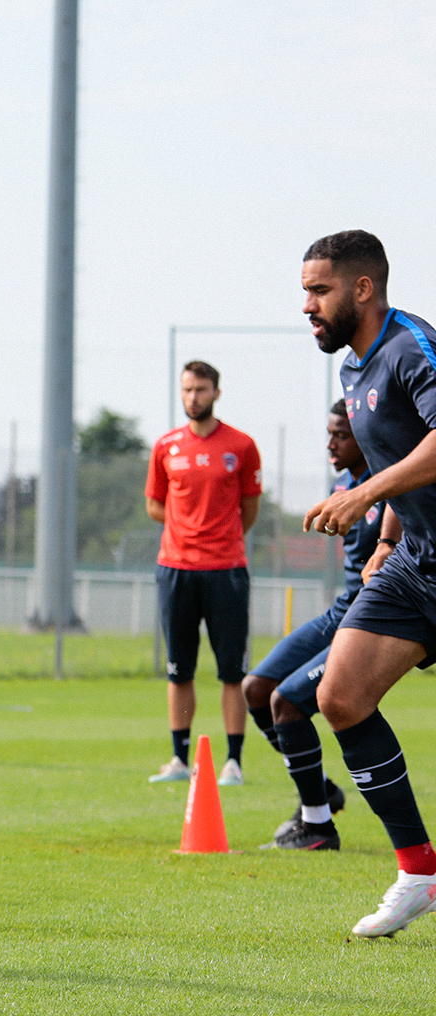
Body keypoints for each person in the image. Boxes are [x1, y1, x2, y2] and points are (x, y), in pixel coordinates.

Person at [300, 230, 436, 936]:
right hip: (417, 561)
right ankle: (419, 872)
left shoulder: (413, 347)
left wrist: (363, 496)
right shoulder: (354, 370)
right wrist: (386, 538)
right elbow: (402, 462)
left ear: (363, 288)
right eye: (305, 292)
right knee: (340, 696)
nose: (308, 306)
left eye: (319, 291)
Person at [239, 399, 375, 847]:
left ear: (366, 435)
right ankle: (320, 792)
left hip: (373, 619)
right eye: (329, 434)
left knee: (287, 702)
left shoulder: (389, 482)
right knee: (256, 689)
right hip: (343, 610)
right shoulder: (342, 483)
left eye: (342, 435)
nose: (331, 444)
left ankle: (317, 827)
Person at [144, 361, 262, 786]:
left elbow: (249, 507)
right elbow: (154, 504)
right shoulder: (166, 446)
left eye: (201, 389)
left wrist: (219, 536)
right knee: (179, 669)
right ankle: (179, 759)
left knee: (232, 670)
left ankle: (233, 762)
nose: (193, 397)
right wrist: (186, 529)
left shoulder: (241, 446)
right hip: (175, 569)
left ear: (216, 392)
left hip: (226, 570)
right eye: (187, 389)